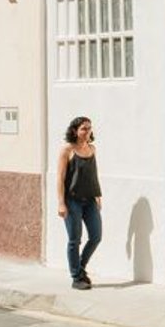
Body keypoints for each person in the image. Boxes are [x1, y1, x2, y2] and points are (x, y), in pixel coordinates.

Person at [56, 116, 102, 289]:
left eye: (89, 128)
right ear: (75, 130)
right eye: (83, 128)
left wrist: (98, 196)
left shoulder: (92, 149)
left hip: (90, 200)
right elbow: (60, 179)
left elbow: (93, 175)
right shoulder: (67, 150)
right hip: (72, 201)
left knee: (96, 237)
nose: (87, 131)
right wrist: (61, 203)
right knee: (75, 240)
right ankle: (76, 277)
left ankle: (80, 268)